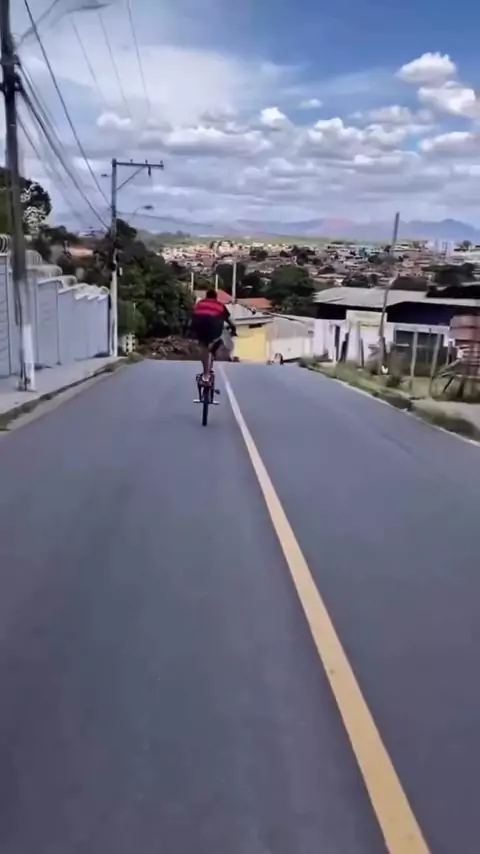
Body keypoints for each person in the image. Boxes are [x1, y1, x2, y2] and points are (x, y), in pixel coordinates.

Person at [190, 289, 237, 383]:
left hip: (199, 326)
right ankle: (207, 375)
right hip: (214, 328)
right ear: (216, 297)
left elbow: (192, 316)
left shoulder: (199, 304)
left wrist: (189, 329)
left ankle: (205, 374)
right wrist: (234, 329)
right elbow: (229, 320)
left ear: (206, 296)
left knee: (204, 347)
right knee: (217, 340)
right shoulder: (220, 305)